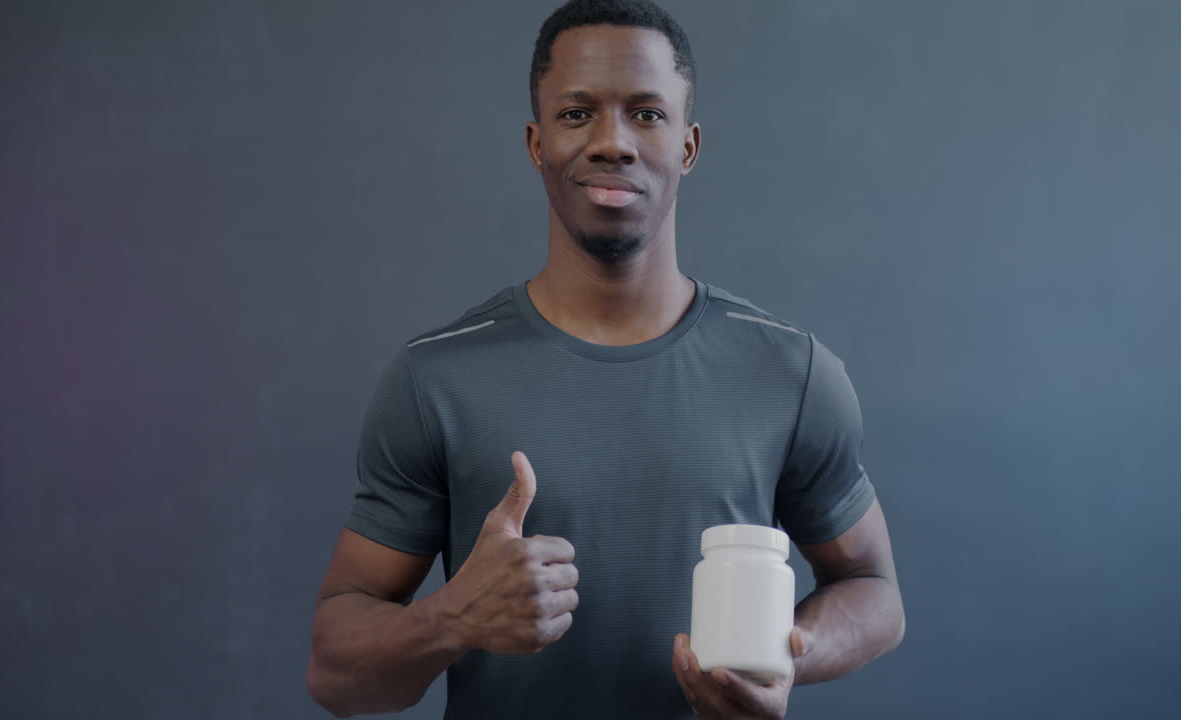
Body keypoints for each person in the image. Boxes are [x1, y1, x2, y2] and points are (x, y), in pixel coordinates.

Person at [305, 1, 904, 717]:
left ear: (688, 145)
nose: (613, 142)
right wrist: (452, 619)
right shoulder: (437, 380)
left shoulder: (791, 373)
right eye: (576, 113)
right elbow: (334, 675)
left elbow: (875, 591)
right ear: (536, 143)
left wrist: (787, 654)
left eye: (647, 114)